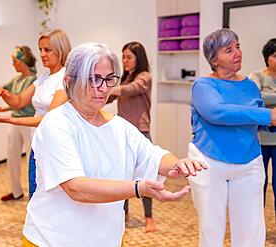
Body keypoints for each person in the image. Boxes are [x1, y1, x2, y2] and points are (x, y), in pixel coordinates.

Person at [21, 42, 208, 247]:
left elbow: (153, 155)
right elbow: (76, 188)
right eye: (93, 79)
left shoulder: (120, 127)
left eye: (109, 79)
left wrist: (177, 165)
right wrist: (137, 188)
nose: (102, 88)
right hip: (53, 240)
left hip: (105, 239)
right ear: (69, 82)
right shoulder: (56, 123)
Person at [188, 29, 276, 247]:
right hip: (209, 161)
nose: (237, 53)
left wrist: (267, 120)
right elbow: (218, 112)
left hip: (249, 161)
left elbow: (255, 120)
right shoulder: (203, 85)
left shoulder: (249, 85)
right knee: (212, 227)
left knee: (251, 228)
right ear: (214, 60)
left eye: (238, 46)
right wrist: (268, 115)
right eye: (229, 50)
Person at [0, 29, 71, 197]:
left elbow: (49, 119)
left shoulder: (65, 78)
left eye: (47, 50)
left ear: (61, 50)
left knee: (51, 196)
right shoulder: (44, 78)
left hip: (55, 145)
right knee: (37, 193)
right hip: (38, 143)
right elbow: (19, 101)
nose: (42, 54)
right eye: (40, 50)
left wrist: (10, 120)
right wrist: (4, 94)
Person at [108, 41, 156, 232]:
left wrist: (111, 89)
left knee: (146, 177)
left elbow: (132, 89)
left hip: (141, 131)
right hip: (123, 132)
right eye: (123, 57)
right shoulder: (124, 79)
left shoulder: (145, 77)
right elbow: (114, 96)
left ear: (139, 58)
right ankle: (124, 213)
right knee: (124, 176)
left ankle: (149, 217)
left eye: (128, 57)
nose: (124, 61)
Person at [0, 46, 37, 201]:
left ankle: (35, 192)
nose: (13, 65)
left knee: (31, 158)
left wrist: (6, 104)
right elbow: (7, 92)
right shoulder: (16, 79)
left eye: (15, 61)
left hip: (29, 122)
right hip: (14, 121)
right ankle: (16, 191)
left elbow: (22, 101)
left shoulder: (33, 80)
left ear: (23, 61)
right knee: (12, 157)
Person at [249, 38, 276, 216]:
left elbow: (262, 99)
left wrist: (268, 99)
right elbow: (255, 97)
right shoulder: (256, 76)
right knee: (258, 184)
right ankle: (256, 228)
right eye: (275, 55)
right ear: (267, 57)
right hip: (258, 140)